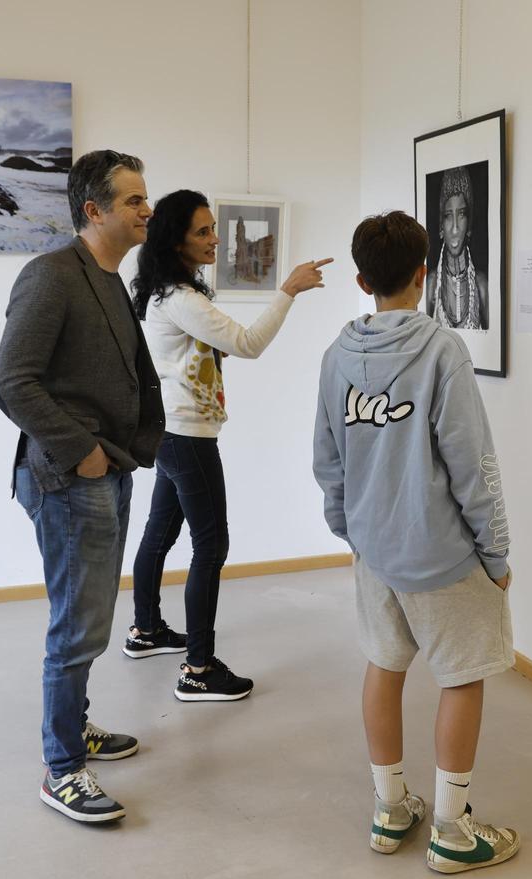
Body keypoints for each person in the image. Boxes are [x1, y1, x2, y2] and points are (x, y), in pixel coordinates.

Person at [313, 210, 519, 873]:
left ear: (361, 278)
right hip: (443, 555)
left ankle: (390, 807)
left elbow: (328, 460)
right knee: (462, 679)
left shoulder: (337, 356)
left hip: (375, 553)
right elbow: (472, 463)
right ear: (423, 273)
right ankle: (453, 831)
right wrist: (496, 552)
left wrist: (354, 530)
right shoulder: (441, 350)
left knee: (385, 664)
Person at [0, 150, 163, 824]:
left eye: (145, 198)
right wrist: (83, 450)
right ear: (93, 210)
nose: (146, 209)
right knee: (77, 623)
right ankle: (62, 767)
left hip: (107, 467)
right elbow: (11, 378)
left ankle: (76, 729)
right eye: (133, 201)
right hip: (70, 476)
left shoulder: (107, 277)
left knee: (89, 615)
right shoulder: (52, 275)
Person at [127, 189, 331, 701]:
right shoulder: (181, 298)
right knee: (210, 545)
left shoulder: (160, 293)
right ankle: (198, 670)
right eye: (202, 231)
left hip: (169, 430)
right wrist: (287, 290)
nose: (215, 239)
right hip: (187, 435)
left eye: (214, 228)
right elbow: (249, 344)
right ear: (176, 241)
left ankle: (145, 631)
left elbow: (211, 350)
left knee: (160, 532)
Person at [425, 166, 489, 329]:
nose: (455, 228)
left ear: (469, 225)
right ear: (441, 227)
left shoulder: (480, 284)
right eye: (447, 216)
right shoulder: (431, 285)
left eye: (461, 214)